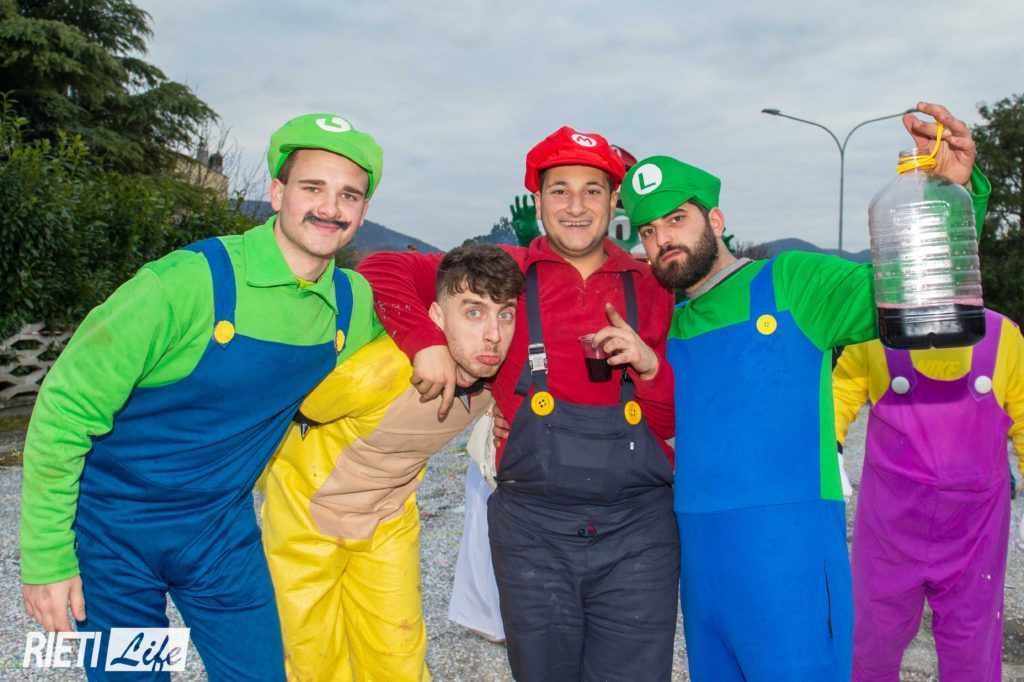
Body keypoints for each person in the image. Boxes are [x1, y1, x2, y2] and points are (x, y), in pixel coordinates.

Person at [617, 102, 990, 681]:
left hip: (789, 554)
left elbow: (908, 286)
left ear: (714, 219)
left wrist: (950, 195)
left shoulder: (791, 282)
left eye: (676, 219)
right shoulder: (664, 323)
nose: (663, 239)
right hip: (701, 558)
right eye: (648, 230)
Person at [20, 113, 384, 680]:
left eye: (349, 195)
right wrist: (47, 558)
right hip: (114, 536)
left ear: (362, 212)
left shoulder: (351, 302)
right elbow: (65, 408)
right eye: (312, 187)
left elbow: (419, 318)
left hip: (220, 535)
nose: (330, 208)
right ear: (277, 193)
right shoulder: (184, 283)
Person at [358, 126, 678, 680]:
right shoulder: (505, 271)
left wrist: (649, 369)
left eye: (592, 190)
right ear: (538, 199)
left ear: (613, 202)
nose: (575, 207)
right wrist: (427, 344)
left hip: (639, 534)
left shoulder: (652, 286)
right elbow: (381, 269)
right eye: (559, 190)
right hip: (533, 534)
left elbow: (671, 421)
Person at [261, 244, 523, 682]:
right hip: (307, 520)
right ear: (437, 316)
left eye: (505, 315)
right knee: (310, 657)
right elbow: (281, 412)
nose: (493, 335)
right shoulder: (380, 371)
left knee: (398, 652)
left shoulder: (493, 382)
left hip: (387, 519)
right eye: (474, 313)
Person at [833, 311, 1024, 682]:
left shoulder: (1004, 337)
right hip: (890, 528)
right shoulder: (876, 333)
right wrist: (832, 447)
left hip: (975, 534)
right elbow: (839, 392)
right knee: (872, 638)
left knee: (972, 644)